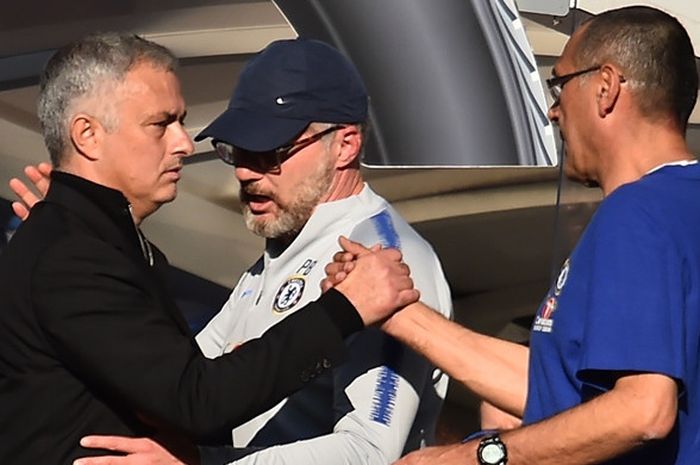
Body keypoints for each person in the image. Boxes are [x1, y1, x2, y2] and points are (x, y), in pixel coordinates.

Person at [0, 33, 418, 465]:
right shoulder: (73, 252)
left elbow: (188, 383)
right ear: (87, 135)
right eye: (161, 124)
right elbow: (196, 397)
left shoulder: (96, 244)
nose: (184, 143)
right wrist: (344, 309)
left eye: (271, 150)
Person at [327, 5, 700, 465]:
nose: (552, 109)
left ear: (605, 88)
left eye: (559, 85)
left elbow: (643, 410)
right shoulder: (678, 209)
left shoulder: (635, 212)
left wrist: (472, 458)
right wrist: (399, 315)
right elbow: (556, 386)